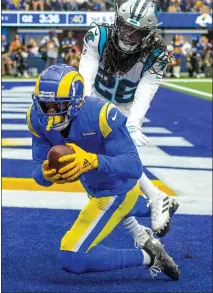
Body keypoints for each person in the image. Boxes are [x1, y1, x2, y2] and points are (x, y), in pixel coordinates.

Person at [26, 64, 179, 280]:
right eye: (45, 105)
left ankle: (150, 256)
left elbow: (133, 166)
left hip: (117, 189)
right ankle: (162, 204)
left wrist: (92, 160)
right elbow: (37, 171)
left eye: (58, 105)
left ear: (77, 102)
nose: (52, 113)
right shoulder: (36, 118)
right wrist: (45, 173)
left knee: (72, 257)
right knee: (120, 210)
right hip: (94, 187)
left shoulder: (100, 114)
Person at [79, 0, 179, 237]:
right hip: (97, 101)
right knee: (96, 173)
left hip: (124, 108)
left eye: (136, 33)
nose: (127, 36)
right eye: (125, 28)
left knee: (105, 167)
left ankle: (145, 221)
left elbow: (146, 91)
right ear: (117, 21)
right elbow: (86, 75)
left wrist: (133, 124)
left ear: (148, 34)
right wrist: (84, 105)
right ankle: (152, 208)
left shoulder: (157, 55)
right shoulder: (98, 36)